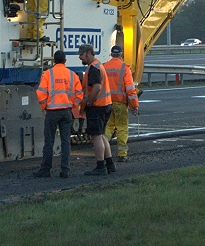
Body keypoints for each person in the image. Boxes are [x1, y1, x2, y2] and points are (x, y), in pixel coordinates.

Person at [33, 51, 82, 178]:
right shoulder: (72, 75)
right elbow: (79, 94)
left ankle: (45, 169)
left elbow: (41, 93)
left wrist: (44, 106)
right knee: (66, 141)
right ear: (65, 60)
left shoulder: (48, 74)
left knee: (49, 142)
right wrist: (73, 105)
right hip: (66, 111)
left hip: (52, 112)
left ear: (54, 61)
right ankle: (65, 170)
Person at [77, 44, 113, 175]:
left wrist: (89, 103)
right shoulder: (98, 65)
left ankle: (100, 166)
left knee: (96, 137)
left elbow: (96, 88)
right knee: (102, 135)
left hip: (98, 106)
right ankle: (110, 164)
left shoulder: (93, 69)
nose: (80, 57)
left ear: (88, 53)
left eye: (81, 55)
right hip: (106, 105)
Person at [103, 45, 139, 162]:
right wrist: (134, 105)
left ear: (111, 54)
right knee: (122, 127)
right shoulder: (124, 68)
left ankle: (102, 149)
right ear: (121, 54)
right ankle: (122, 154)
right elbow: (130, 89)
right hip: (120, 102)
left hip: (106, 102)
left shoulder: (104, 67)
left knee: (108, 127)